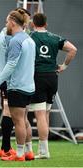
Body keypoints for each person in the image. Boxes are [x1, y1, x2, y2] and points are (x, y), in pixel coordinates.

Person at [29, 13, 77, 159]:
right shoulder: (55, 38)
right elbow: (73, 49)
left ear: (32, 24)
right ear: (46, 24)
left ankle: (44, 152)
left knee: (40, 115)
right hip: (52, 77)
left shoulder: (30, 37)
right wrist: (64, 66)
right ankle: (44, 149)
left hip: (38, 77)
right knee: (46, 113)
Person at [0, 9, 36, 161]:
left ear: (12, 22)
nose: (6, 25)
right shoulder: (30, 40)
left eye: (7, 22)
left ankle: (19, 154)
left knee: (18, 122)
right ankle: (29, 151)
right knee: (24, 120)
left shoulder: (15, 40)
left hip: (17, 86)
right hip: (29, 86)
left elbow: (10, 64)